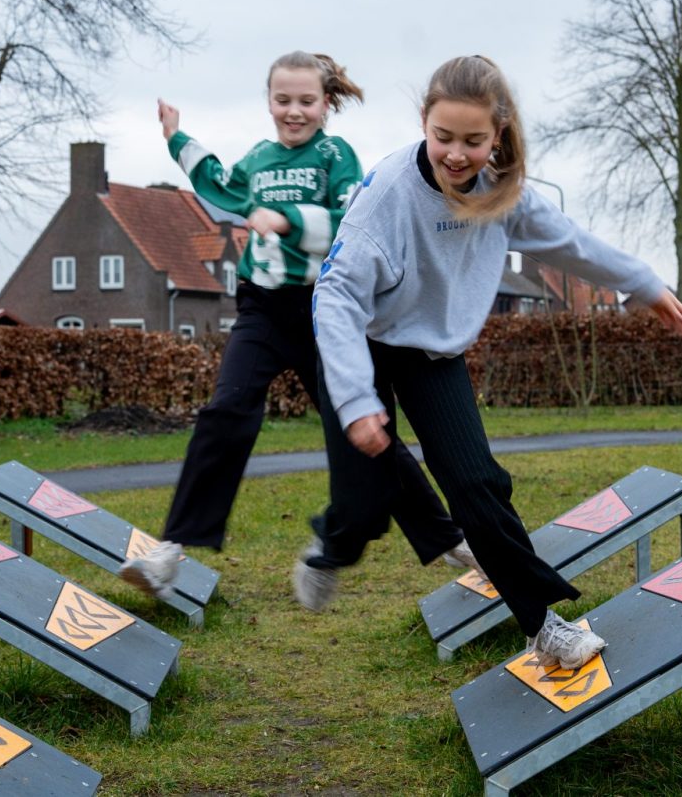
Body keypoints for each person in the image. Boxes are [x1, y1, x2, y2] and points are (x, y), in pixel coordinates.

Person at [302, 55, 682, 669]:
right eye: (442, 138)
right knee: (364, 495)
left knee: (478, 483)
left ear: (498, 135)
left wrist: (640, 282)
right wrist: (355, 400)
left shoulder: (504, 194)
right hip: (360, 342)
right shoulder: (387, 196)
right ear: (424, 126)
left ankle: (543, 625)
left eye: (473, 141)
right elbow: (335, 297)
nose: (456, 155)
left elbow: (571, 243)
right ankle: (332, 548)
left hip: (432, 353)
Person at [120, 51, 478, 599]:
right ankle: (171, 549)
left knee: (370, 434)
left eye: (306, 101)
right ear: (268, 103)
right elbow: (218, 183)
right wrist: (175, 136)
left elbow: (349, 221)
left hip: (325, 313)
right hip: (262, 308)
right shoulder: (259, 159)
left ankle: (449, 538)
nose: (294, 112)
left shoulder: (337, 157)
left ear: (326, 103)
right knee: (226, 408)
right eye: (283, 101)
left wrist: (289, 220)